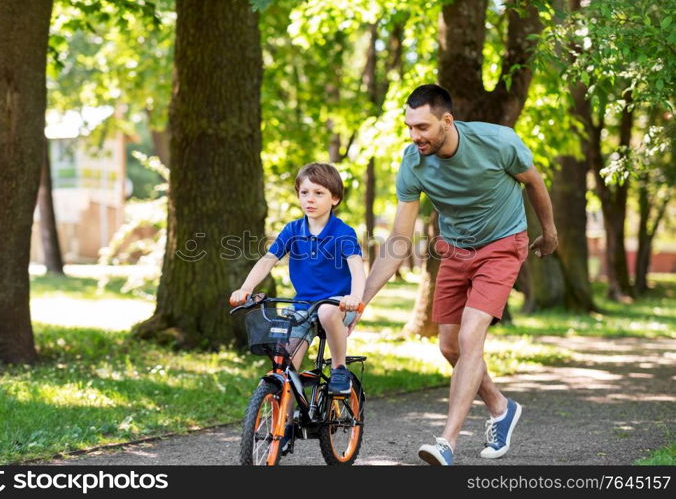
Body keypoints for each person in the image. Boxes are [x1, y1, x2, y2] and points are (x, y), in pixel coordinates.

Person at [352, 84, 558, 465]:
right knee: (449, 347)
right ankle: (500, 406)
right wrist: (360, 300)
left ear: (447, 121)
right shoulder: (412, 162)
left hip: (502, 244)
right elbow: (399, 240)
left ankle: (446, 442)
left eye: (423, 127)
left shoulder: (498, 142)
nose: (415, 136)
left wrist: (549, 231)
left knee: (470, 334)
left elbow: (534, 181)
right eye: (410, 127)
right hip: (455, 248)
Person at [230, 161, 365, 395]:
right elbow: (268, 260)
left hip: (339, 304)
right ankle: (286, 422)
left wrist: (355, 297)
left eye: (318, 193)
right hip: (303, 304)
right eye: (304, 192)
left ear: (334, 199)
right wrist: (245, 288)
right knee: (286, 366)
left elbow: (357, 268)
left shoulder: (343, 233)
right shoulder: (293, 230)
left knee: (326, 311)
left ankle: (339, 367)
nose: (309, 199)